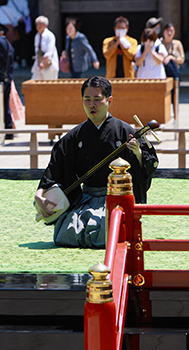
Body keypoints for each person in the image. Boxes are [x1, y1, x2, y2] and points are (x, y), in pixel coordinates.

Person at [34, 76, 158, 248]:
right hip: (84, 198)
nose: (92, 105)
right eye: (87, 99)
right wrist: (40, 192)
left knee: (107, 232)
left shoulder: (124, 131)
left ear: (109, 100)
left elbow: (148, 163)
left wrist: (137, 152)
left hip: (114, 198)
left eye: (98, 99)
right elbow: (56, 167)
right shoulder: (74, 136)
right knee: (67, 234)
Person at [31, 16, 58, 80]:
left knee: (49, 87)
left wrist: (43, 62)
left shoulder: (50, 35)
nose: (39, 26)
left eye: (41, 24)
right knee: (34, 84)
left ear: (45, 25)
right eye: (38, 24)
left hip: (49, 64)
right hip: (38, 64)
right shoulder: (37, 36)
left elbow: (50, 51)